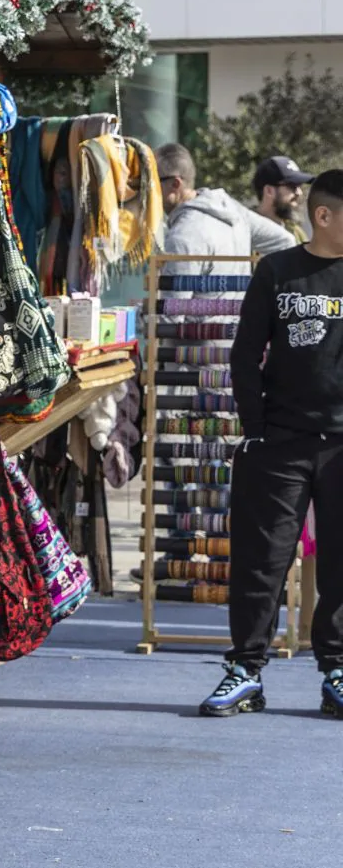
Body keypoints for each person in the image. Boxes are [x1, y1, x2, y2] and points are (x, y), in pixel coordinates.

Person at [199, 168, 343, 720]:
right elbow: (244, 355)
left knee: (340, 565)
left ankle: (336, 671)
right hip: (279, 442)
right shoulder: (277, 270)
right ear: (324, 215)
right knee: (261, 563)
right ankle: (245, 672)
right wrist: (256, 427)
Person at [159, 143, 296, 275]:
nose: (143, 191)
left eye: (149, 182)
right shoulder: (230, 208)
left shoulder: (182, 237)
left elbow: (175, 300)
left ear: (175, 184)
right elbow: (285, 242)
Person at [254, 155, 316, 243]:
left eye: (299, 186)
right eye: (292, 186)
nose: (299, 193)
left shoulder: (296, 232)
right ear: (269, 191)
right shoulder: (244, 231)